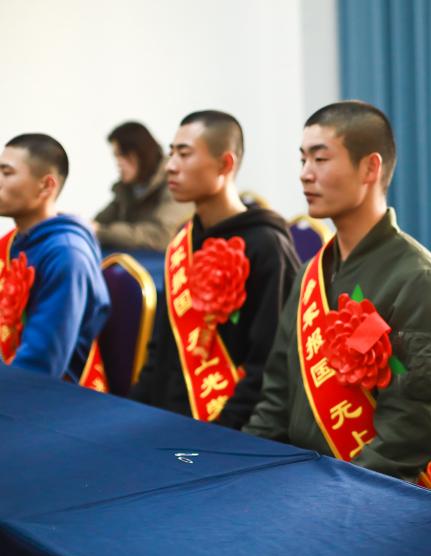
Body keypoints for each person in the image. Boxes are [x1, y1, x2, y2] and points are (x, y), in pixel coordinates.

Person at [245, 101, 431, 493]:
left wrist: (331, 493)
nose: (305, 174)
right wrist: (247, 467)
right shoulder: (311, 274)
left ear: (370, 168)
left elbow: (409, 432)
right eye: (302, 159)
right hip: (295, 480)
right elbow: (276, 397)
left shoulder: (419, 281)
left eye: (320, 159)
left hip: (369, 493)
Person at [129, 111, 300, 429]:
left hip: (230, 429)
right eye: (171, 153)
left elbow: (269, 364)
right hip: (169, 420)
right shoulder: (183, 241)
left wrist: (223, 430)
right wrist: (134, 412)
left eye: (184, 154)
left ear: (225, 164)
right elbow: (160, 352)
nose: (170, 166)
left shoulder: (266, 246)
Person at [0, 133, 109, 380]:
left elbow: (40, 364)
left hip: (50, 395)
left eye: (7, 173)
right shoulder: (14, 242)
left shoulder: (68, 256)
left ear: (46, 186)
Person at [93, 121, 192, 251]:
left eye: (121, 156)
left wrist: (101, 232)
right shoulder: (128, 188)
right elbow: (99, 222)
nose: (118, 163)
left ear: (138, 155)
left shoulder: (176, 182)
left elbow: (160, 236)